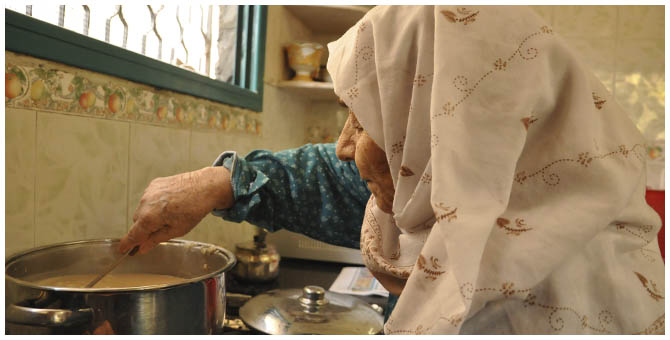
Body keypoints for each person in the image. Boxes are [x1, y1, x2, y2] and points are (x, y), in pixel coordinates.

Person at [120, 6, 664, 334]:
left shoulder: (556, 312)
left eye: (364, 120)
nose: (343, 147)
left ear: (452, 136)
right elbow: (366, 185)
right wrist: (222, 183)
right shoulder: (491, 191)